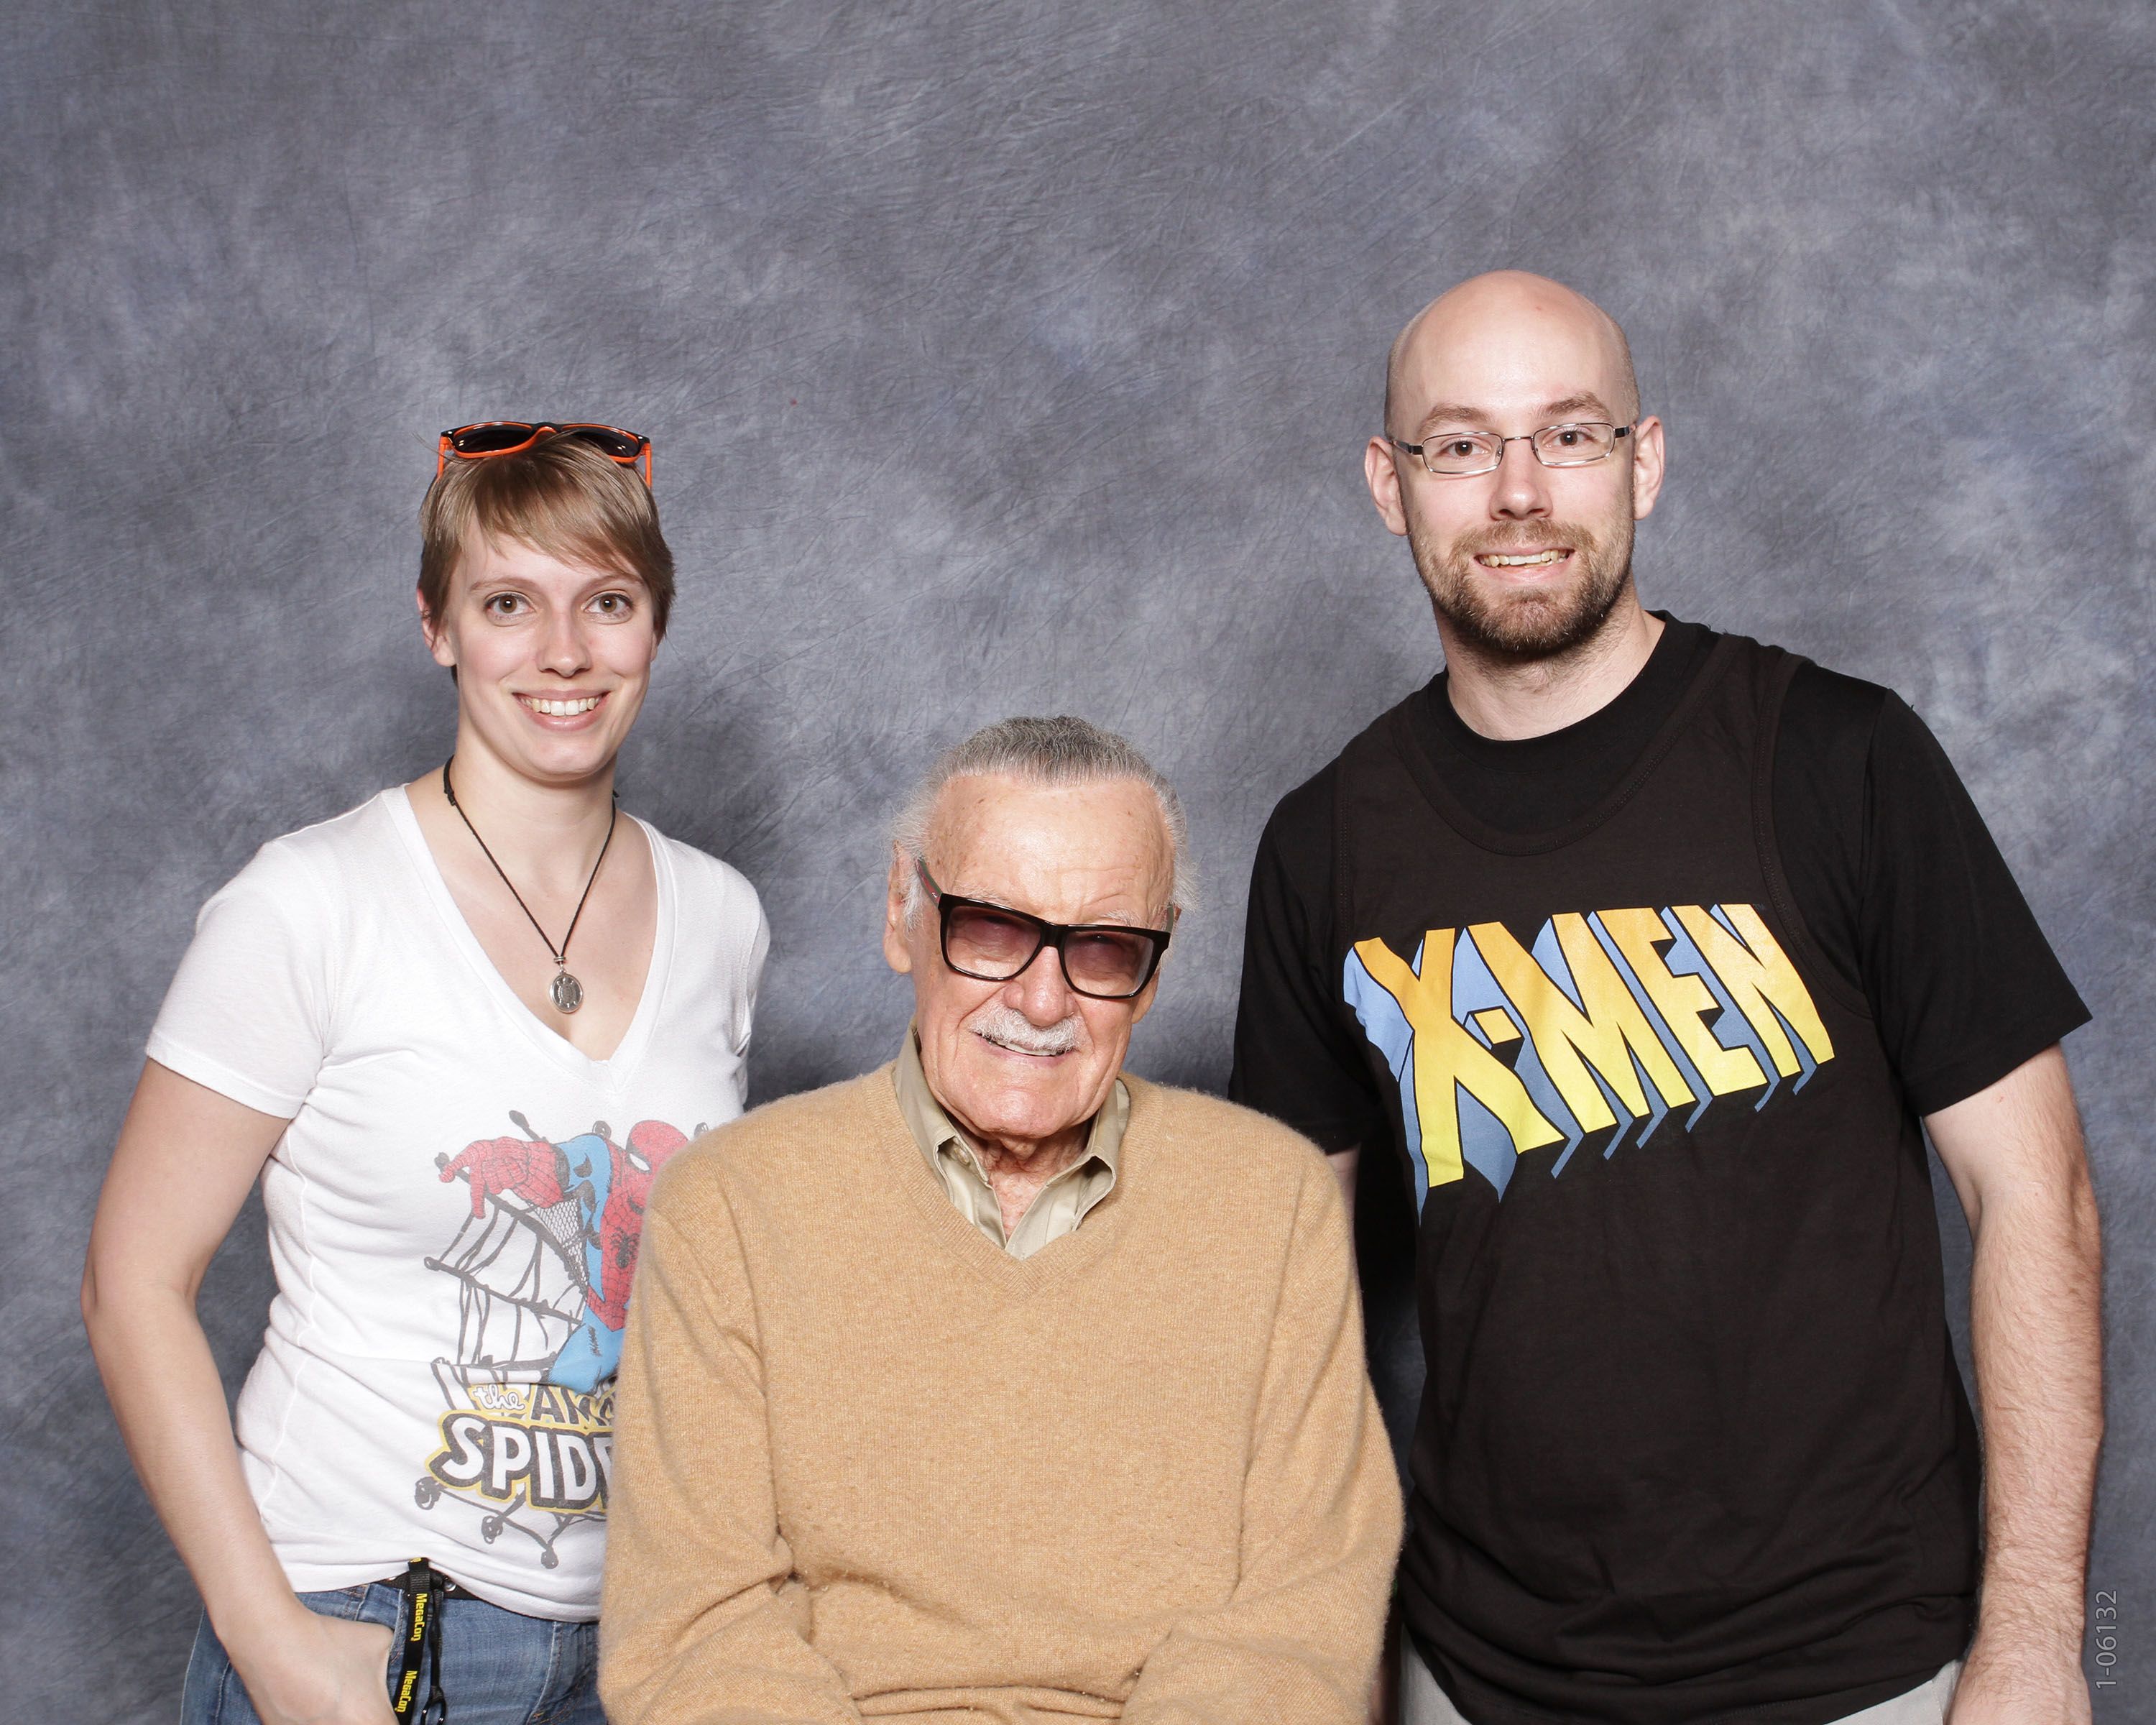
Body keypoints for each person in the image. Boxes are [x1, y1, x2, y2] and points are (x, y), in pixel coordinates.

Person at [1231, 273, 2102, 1725]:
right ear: (1391, 485)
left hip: (1865, 1670)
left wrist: (2033, 1638)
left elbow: (2036, 1198)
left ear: (1644, 461)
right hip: (1482, 1678)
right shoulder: (1324, 844)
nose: (1519, 491)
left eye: (1569, 435)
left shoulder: (1841, 760)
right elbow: (1286, 1306)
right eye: (1462, 445)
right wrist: (1331, 1665)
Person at [83, 423, 769, 1725]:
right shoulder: (311, 903)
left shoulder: (722, 918)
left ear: (655, 626)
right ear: (436, 625)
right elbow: (131, 1285)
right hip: (366, 1621)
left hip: (636, 1642)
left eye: (606, 602)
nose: (563, 653)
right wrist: (271, 1641)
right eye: (508, 604)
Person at [600, 716, 1402, 1725]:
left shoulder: (1273, 1202)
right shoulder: (727, 1207)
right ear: (903, 911)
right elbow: (696, 1630)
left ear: (1155, 967)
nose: (1042, 999)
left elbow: (1300, 1618)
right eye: (990, 929)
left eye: (1104, 947)